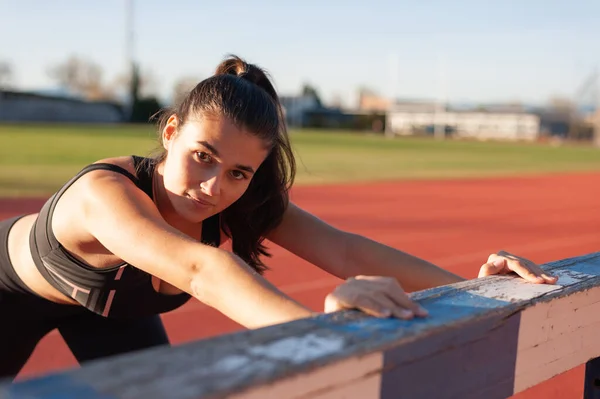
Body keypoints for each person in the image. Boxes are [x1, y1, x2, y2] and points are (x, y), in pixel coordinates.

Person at [0, 55, 557, 380]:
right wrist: (323, 329)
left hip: (111, 311)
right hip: (10, 299)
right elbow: (200, 272)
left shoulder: (239, 197)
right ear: (170, 132)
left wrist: (478, 293)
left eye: (241, 171)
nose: (215, 188)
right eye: (202, 156)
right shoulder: (105, 194)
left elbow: (346, 252)